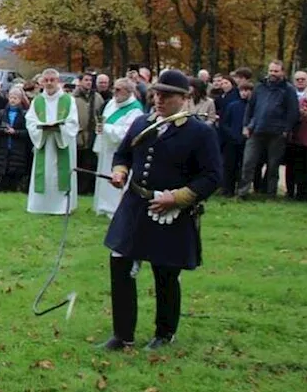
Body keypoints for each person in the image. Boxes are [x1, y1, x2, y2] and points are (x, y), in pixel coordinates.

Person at [101, 69, 221, 351]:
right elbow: (124, 154)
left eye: (166, 95)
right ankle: (123, 334)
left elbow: (212, 176)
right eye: (156, 94)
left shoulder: (200, 132)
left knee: (166, 272)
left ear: (184, 98)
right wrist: (120, 172)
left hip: (171, 211)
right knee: (120, 264)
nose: (158, 99)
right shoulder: (143, 122)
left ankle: (164, 334)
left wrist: (177, 198)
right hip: (134, 206)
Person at [239, 60, 299, 199]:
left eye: (276, 71)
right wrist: (246, 125)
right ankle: (243, 192)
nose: (273, 74)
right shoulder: (260, 87)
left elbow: (293, 112)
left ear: (282, 72)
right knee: (248, 163)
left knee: (273, 166)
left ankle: (271, 194)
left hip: (277, 133)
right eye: (271, 70)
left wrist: (286, 129)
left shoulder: (288, 89)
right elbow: (250, 107)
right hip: (256, 129)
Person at [25, 68, 80, 214]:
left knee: (60, 173)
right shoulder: (37, 101)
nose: (49, 83)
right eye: (46, 80)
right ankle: (40, 206)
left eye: (52, 80)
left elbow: (73, 123)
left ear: (58, 81)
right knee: (45, 173)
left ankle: (62, 207)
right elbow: (30, 121)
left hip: (62, 143)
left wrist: (59, 129)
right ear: (42, 82)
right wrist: (41, 129)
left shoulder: (69, 100)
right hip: (43, 142)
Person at [93, 78, 145, 216]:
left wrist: (106, 128)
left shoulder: (135, 110)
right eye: (114, 88)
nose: (114, 92)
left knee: (116, 178)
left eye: (118, 89)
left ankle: (116, 209)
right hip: (106, 147)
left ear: (129, 91)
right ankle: (103, 206)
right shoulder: (111, 103)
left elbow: (126, 134)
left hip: (120, 152)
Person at [0, 87, 32, 193]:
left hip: (17, 146)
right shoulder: (2, 113)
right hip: (4, 146)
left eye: (15, 98)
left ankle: (15, 188)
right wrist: (4, 130)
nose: (13, 100)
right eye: (11, 98)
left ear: (20, 99)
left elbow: (28, 131)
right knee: (3, 168)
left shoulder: (24, 114)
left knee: (15, 170)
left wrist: (15, 132)